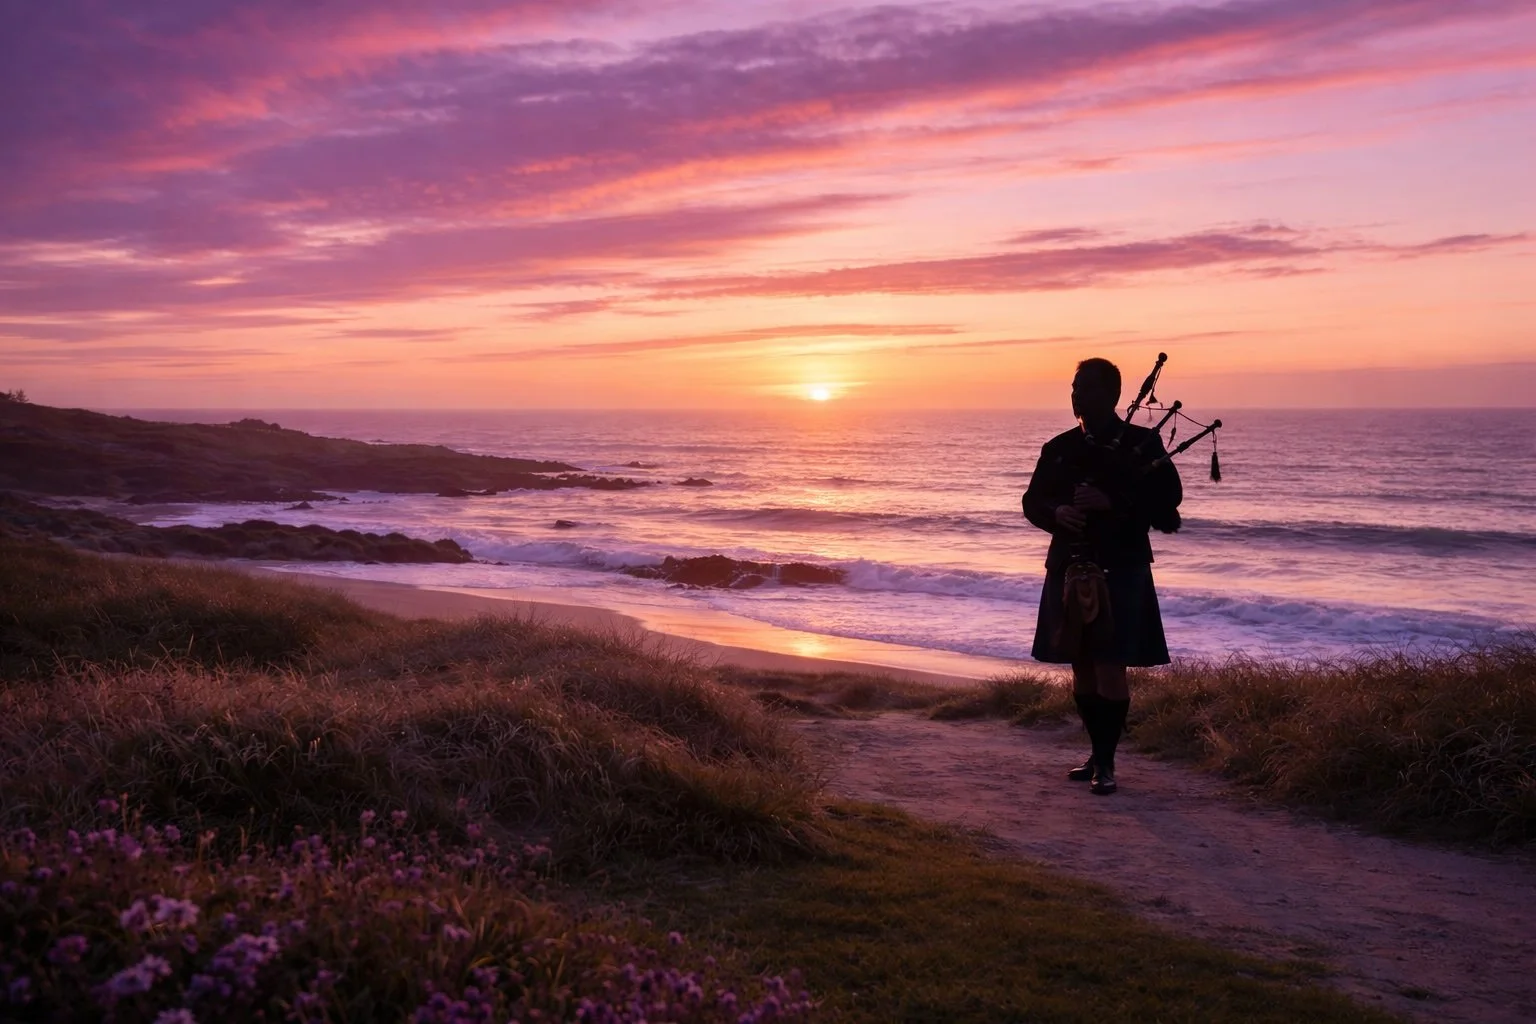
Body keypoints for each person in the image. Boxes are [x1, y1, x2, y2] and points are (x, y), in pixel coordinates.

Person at [1022, 358, 1182, 795]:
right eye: (1075, 387)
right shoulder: (1058, 448)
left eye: (1087, 388)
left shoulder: (1142, 443)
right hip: (1069, 565)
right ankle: (1097, 753)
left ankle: (1107, 763)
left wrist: (1112, 502)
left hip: (1122, 566)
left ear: (1112, 395)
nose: (1077, 395)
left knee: (1110, 665)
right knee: (1081, 665)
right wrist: (1057, 513)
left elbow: (1169, 499)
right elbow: (1032, 502)